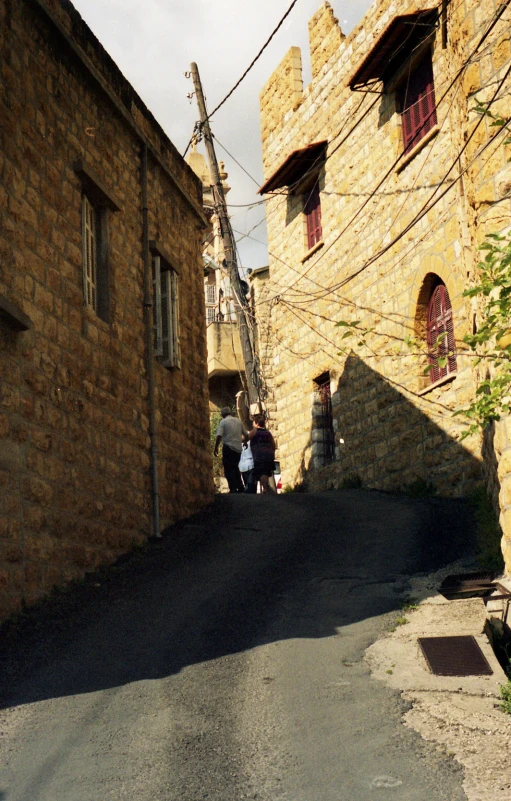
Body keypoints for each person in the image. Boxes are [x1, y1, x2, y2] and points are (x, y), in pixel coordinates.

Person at [213, 407, 247, 493]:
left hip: (228, 447)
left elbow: (219, 435)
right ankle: (240, 487)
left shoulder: (223, 422)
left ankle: (232, 488)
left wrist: (216, 447)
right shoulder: (238, 421)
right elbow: (246, 434)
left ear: (222, 415)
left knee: (228, 468)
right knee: (235, 468)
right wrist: (245, 442)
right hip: (238, 449)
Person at [246, 414, 276, 494]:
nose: (252, 424)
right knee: (265, 471)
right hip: (268, 454)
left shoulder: (255, 431)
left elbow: (246, 438)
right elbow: (273, 444)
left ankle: (265, 488)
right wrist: (272, 453)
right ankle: (265, 488)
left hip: (259, 455)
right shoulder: (268, 432)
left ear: (257, 424)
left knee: (262, 472)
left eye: (253, 423)